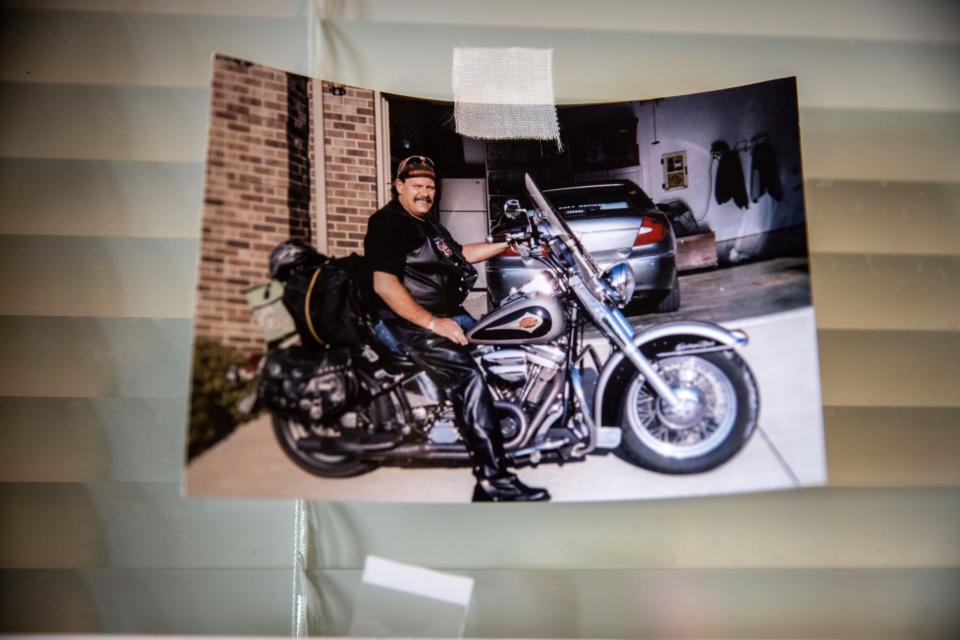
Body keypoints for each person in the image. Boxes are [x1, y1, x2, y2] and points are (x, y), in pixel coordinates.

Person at [363, 155, 550, 502]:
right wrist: (433, 322)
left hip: (445, 314)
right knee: (469, 377)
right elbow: (384, 285)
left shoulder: (427, 224)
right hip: (405, 324)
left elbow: (461, 252)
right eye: (416, 185)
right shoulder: (388, 224)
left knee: (499, 342)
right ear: (399, 185)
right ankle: (493, 480)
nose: (425, 192)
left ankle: (499, 426)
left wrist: (508, 243)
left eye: (430, 186)